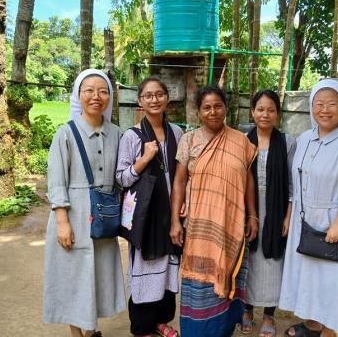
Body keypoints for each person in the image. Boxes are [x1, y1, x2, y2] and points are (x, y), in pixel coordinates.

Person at [279, 79, 338, 337]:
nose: (325, 109)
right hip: (303, 221)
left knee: (331, 282)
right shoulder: (305, 139)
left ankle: (329, 331)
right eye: (319, 104)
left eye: (332, 104)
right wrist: (290, 214)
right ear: (311, 108)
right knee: (307, 278)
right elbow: (295, 182)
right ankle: (311, 325)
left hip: (332, 224)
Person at [169, 86, 259, 337]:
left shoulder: (241, 142)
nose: (213, 112)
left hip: (232, 225)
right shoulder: (189, 140)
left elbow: (248, 180)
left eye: (218, 106)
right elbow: (178, 181)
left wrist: (252, 215)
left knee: (228, 279)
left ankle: (224, 330)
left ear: (226, 109)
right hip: (199, 229)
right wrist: (175, 221)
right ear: (198, 112)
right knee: (200, 283)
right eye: (206, 107)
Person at [43, 69, 126, 337]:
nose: (96, 96)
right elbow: (56, 181)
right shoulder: (65, 134)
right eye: (89, 90)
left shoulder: (116, 133)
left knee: (96, 276)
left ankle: (91, 331)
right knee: (73, 277)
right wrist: (62, 223)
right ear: (79, 96)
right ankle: (78, 335)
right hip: (74, 215)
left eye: (103, 91)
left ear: (109, 97)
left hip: (103, 217)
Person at [116, 77, 184, 337]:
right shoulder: (132, 136)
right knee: (145, 269)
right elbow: (122, 177)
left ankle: (161, 321)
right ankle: (143, 327)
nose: (154, 100)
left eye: (159, 94)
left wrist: (184, 202)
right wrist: (144, 158)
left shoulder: (178, 133)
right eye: (148, 96)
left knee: (168, 269)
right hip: (146, 218)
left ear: (167, 98)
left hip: (172, 214)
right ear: (140, 102)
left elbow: (183, 174)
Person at [240, 90, 296, 337]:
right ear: (252, 112)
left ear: (278, 114)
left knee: (272, 262)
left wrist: (287, 216)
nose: (265, 114)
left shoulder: (288, 142)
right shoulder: (242, 141)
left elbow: (293, 185)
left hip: (276, 211)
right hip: (247, 209)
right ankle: (247, 309)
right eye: (260, 109)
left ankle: (270, 315)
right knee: (248, 261)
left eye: (271, 110)